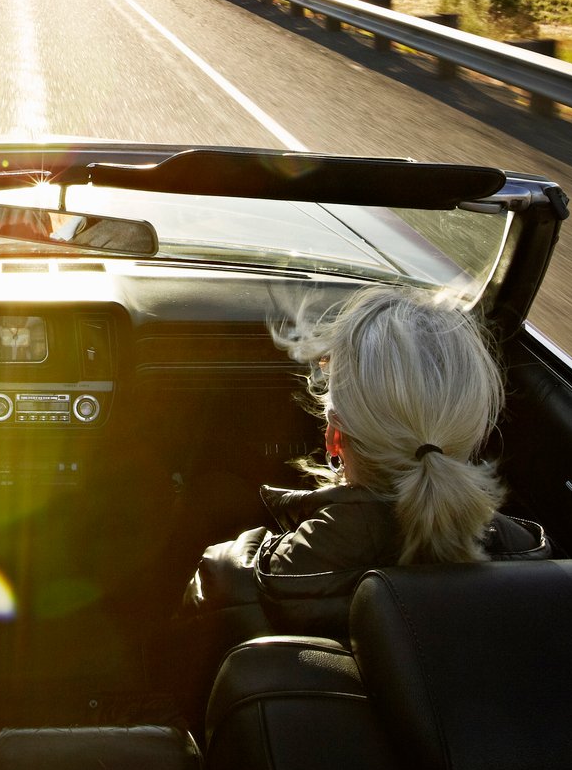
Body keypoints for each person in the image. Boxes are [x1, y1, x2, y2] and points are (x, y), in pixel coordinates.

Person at [176, 285, 548, 676]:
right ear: (470, 434)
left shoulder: (230, 582)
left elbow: (180, 694)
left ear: (333, 436)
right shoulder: (532, 562)